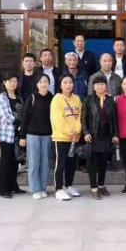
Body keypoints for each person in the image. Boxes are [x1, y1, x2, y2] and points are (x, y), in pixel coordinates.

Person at [82, 76, 119, 200]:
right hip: (93, 136)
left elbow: (114, 118)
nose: (100, 86)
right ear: (93, 87)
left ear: (105, 86)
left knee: (104, 163)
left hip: (106, 136)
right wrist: (86, 132)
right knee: (93, 164)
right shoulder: (88, 100)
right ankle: (94, 188)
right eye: (97, 84)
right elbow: (83, 118)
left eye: (102, 84)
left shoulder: (110, 100)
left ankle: (101, 185)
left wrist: (115, 134)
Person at [19, 74, 54, 200]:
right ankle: (35, 189)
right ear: (37, 84)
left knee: (45, 164)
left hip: (47, 135)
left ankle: (42, 188)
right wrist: (22, 136)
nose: (43, 84)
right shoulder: (32, 98)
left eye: (45, 82)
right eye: (41, 82)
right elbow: (25, 117)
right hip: (32, 135)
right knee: (34, 163)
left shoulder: (53, 98)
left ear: (49, 84)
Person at [50, 73, 83, 201]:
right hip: (61, 137)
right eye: (65, 82)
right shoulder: (57, 99)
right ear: (60, 85)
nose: (68, 85)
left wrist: (77, 130)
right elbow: (57, 120)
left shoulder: (77, 99)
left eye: (70, 82)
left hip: (74, 138)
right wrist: (70, 131)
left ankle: (69, 186)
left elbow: (79, 117)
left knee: (71, 164)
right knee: (60, 164)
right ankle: (58, 189)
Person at [0, 72, 26, 199]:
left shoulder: (19, 97)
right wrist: (20, 122)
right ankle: (3, 189)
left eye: (15, 81)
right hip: (7, 135)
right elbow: (5, 116)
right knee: (6, 161)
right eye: (10, 81)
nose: (13, 83)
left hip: (18, 134)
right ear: (4, 82)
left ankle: (13, 186)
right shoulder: (1, 97)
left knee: (15, 162)